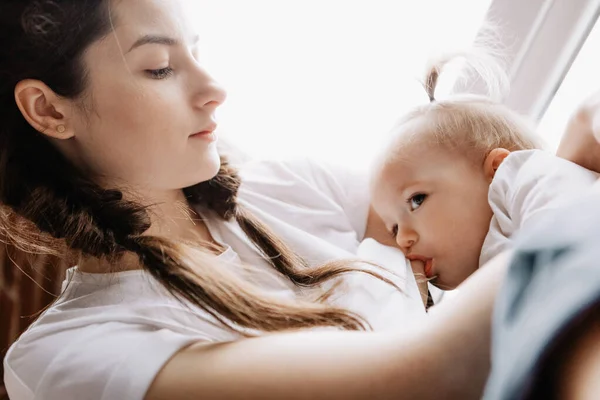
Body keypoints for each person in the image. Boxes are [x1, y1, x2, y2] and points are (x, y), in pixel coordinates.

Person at [1, 1, 508, 399]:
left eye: (196, 53)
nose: (214, 88)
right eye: (158, 67)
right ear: (48, 109)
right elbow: (423, 379)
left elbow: (484, 210)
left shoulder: (294, 187)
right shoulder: (68, 355)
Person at [370, 54, 598, 291]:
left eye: (417, 200)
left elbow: (571, 223)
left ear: (496, 168)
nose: (402, 240)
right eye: (394, 228)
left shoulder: (524, 176)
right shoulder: (476, 282)